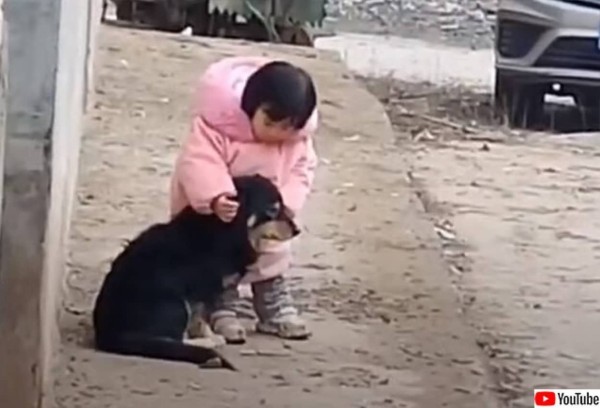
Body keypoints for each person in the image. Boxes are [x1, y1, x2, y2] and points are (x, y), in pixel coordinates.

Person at [170, 56, 318, 343]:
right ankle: (221, 305)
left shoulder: (297, 142)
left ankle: (272, 302)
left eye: (289, 127)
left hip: (265, 216)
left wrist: (287, 203)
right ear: (250, 108)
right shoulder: (217, 128)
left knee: (272, 252)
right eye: (270, 123)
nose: (278, 134)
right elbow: (199, 161)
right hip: (221, 216)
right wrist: (215, 195)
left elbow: (302, 170)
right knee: (219, 259)